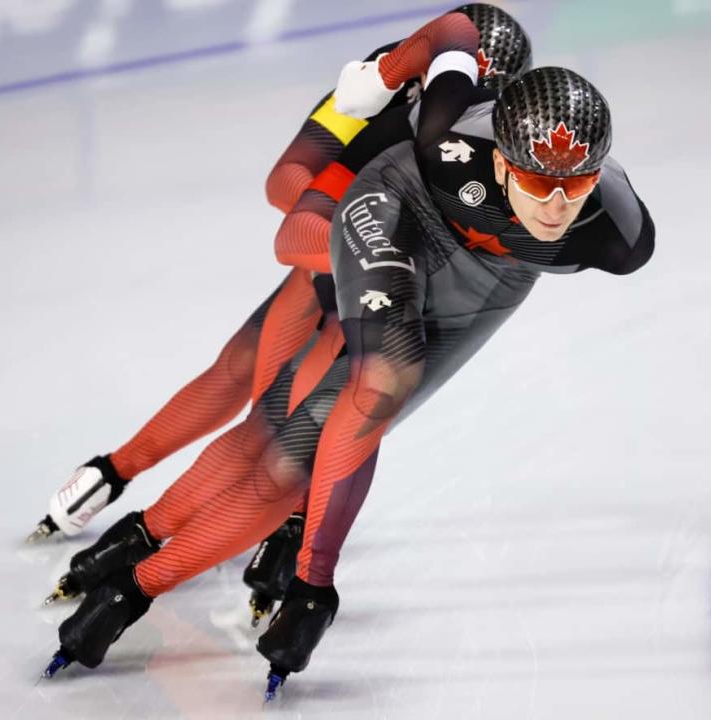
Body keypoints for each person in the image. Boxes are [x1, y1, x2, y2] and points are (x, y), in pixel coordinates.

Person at [45, 62, 654, 697]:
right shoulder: (439, 136)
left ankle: (148, 575)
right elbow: (291, 213)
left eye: (576, 183)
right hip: (390, 213)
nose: (557, 205)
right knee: (327, 385)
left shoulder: (618, 234)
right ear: (501, 160)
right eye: (536, 181)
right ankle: (186, 547)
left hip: (485, 281)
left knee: (294, 454)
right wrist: (401, 72)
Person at [28, 4, 528, 543]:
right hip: (333, 257)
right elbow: (285, 179)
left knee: (283, 418)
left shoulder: (499, 146)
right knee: (240, 375)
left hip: (373, 280)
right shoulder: (380, 82)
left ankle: (242, 526)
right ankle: (116, 475)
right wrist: (362, 234)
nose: (460, 104)